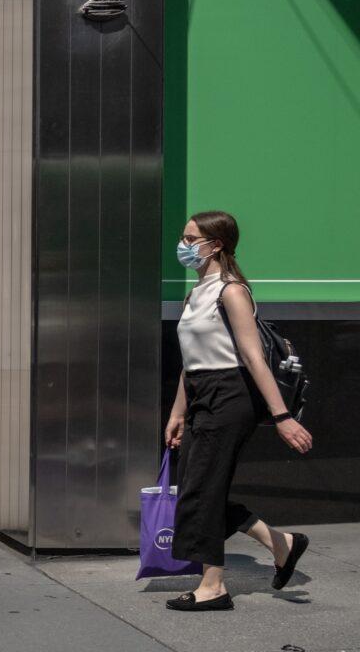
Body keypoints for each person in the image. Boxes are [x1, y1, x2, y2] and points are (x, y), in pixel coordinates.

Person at [163, 210, 313, 611]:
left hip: (231, 394)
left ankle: (213, 586)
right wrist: (178, 412)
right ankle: (280, 543)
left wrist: (282, 417)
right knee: (195, 491)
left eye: (192, 238)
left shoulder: (232, 291)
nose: (184, 245)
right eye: (184, 237)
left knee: (203, 491)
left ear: (217, 245)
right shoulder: (196, 292)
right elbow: (190, 360)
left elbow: (252, 355)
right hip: (200, 393)